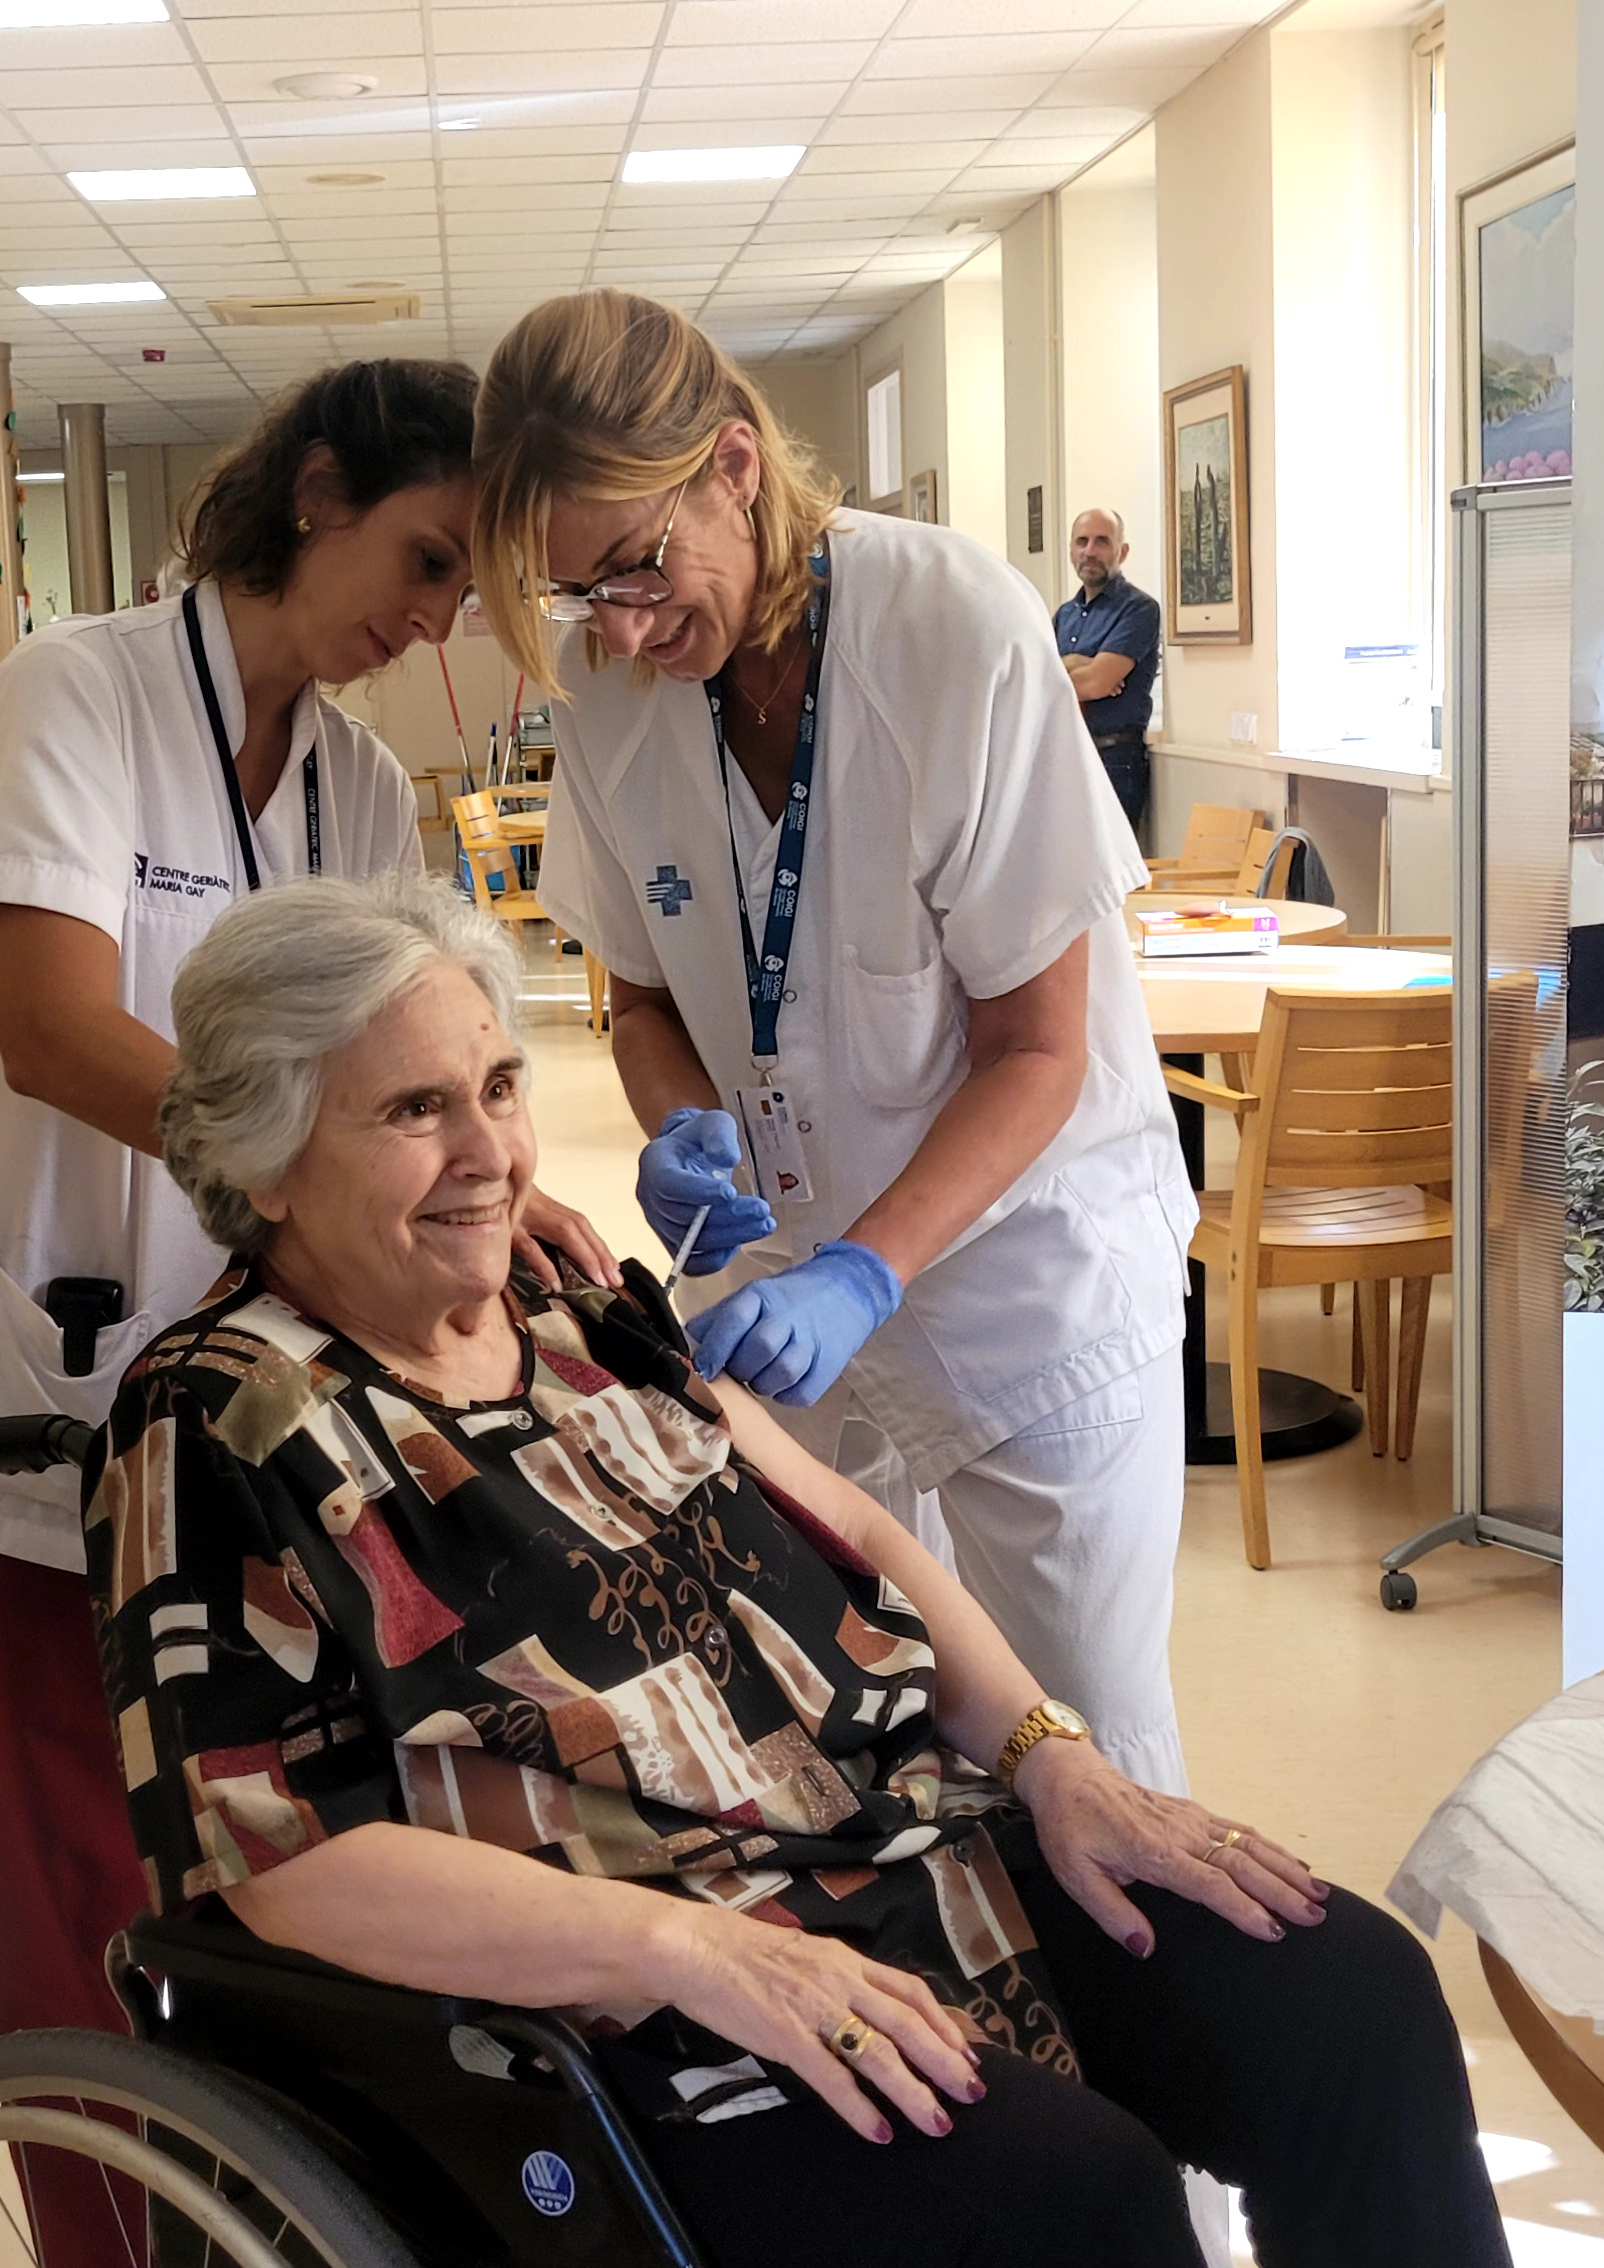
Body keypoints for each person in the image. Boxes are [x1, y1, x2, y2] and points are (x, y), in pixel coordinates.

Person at [99, 875, 1505, 2268]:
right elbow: (279, 1863)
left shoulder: (573, 1307)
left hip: (900, 1845)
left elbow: (862, 1535)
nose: (492, 1155)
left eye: (502, 1087)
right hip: (628, 1995)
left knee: (1355, 2005)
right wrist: (691, 1952)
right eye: (416, 1110)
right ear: (266, 1162)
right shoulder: (220, 1420)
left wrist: (1053, 1758)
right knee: (1079, 2201)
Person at [0, 357, 615, 2264]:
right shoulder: (75, 695)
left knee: (276, 1917)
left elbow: (417, 1056)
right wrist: (312, 1172)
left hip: (250, 1436)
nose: (431, 622)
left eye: (465, 593)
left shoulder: (356, 785)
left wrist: (488, 1181)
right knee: (79, 1925)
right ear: (315, 490)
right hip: (24, 1421)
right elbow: (50, 1028)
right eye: (426, 559)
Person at [469, 289, 1202, 1796]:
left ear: (735, 468)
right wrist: (683, 1126)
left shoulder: (950, 627)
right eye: (576, 592)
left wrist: (868, 1269)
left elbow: (1038, 1051)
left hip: (1022, 1288)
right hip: (782, 1303)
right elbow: (644, 997)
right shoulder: (608, 692)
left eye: (638, 566)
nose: (620, 626)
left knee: (1084, 1746)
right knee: (861, 1732)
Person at [1054, 510, 1163, 839]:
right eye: (1082, 542)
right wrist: (1076, 662)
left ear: (1122, 551)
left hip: (1114, 760)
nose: (1090, 551)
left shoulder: (1139, 609)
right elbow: (1038, 679)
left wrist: (1069, 672)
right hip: (1065, 755)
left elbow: (1095, 683)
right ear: (1071, 551)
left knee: (1109, 862)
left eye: (1101, 542)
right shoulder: (1064, 616)